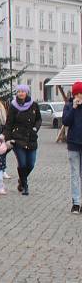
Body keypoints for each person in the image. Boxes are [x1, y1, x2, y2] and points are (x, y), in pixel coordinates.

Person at [3, 84, 41, 196]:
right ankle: (24, 185)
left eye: (23, 91)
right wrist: (8, 138)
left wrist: (35, 128)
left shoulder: (34, 105)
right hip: (17, 138)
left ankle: (21, 179)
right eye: (19, 91)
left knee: (31, 163)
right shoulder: (13, 106)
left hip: (31, 138)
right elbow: (8, 123)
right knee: (22, 163)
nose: (21, 93)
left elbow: (38, 119)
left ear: (27, 92)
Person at [63, 81, 82, 213]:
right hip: (73, 144)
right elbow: (65, 122)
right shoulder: (69, 106)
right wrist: (74, 107)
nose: (79, 96)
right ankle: (76, 202)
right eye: (77, 94)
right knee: (75, 174)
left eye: (81, 93)